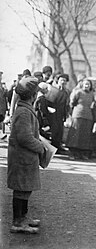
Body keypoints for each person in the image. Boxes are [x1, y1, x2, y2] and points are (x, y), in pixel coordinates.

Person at [7, 76, 45, 234]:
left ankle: (23, 217)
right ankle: (18, 221)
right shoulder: (23, 112)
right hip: (22, 158)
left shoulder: (24, 109)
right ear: (33, 95)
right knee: (21, 189)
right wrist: (41, 147)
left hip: (25, 158)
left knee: (25, 188)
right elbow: (25, 138)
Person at [66, 78, 95, 160]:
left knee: (85, 135)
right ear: (82, 85)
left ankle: (82, 153)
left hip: (88, 116)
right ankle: (72, 152)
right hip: (78, 114)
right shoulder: (78, 92)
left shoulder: (92, 94)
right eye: (85, 84)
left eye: (88, 84)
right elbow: (72, 103)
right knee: (76, 134)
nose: (86, 86)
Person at [47, 73, 70, 153]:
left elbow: (67, 104)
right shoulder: (54, 90)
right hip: (53, 112)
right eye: (61, 80)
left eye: (65, 81)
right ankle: (52, 147)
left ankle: (58, 146)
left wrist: (66, 114)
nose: (63, 82)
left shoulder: (66, 92)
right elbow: (49, 102)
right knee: (54, 130)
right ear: (58, 81)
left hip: (61, 113)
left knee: (60, 131)